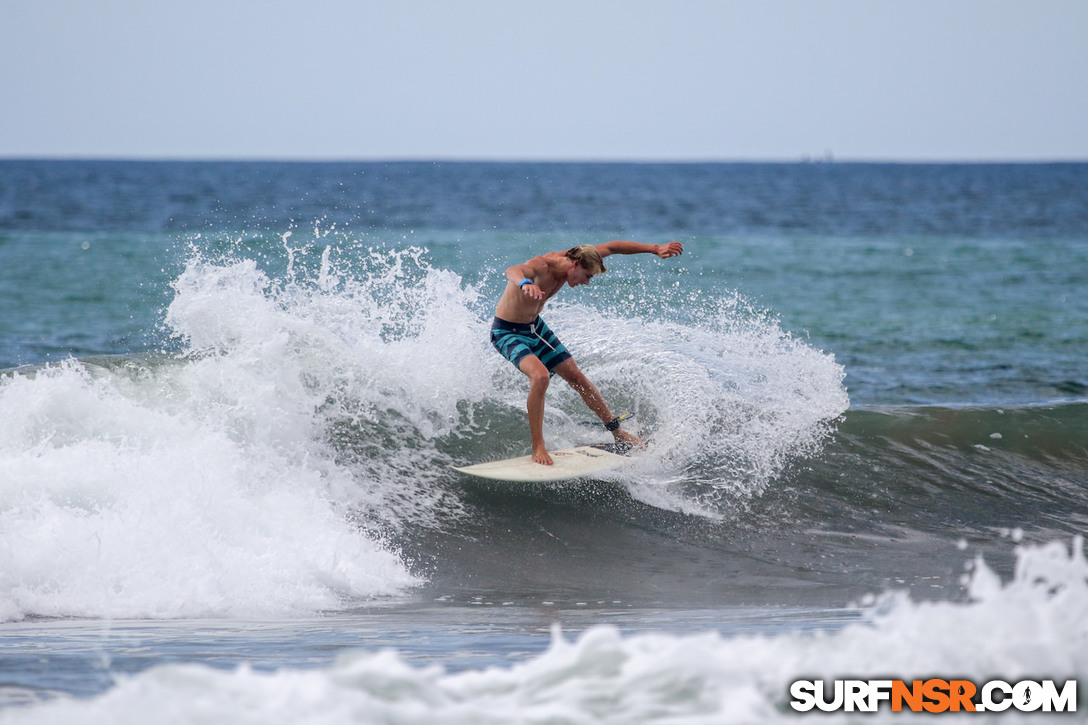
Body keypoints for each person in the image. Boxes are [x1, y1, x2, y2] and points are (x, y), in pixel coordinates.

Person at [490, 240, 684, 465]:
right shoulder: (541, 266)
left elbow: (612, 248)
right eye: (587, 276)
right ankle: (538, 447)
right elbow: (511, 271)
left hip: (535, 328)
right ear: (575, 265)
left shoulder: (582, 255)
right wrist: (525, 283)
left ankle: (618, 433)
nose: (587, 282)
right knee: (540, 376)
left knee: (578, 378)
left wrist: (654, 249)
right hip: (507, 331)